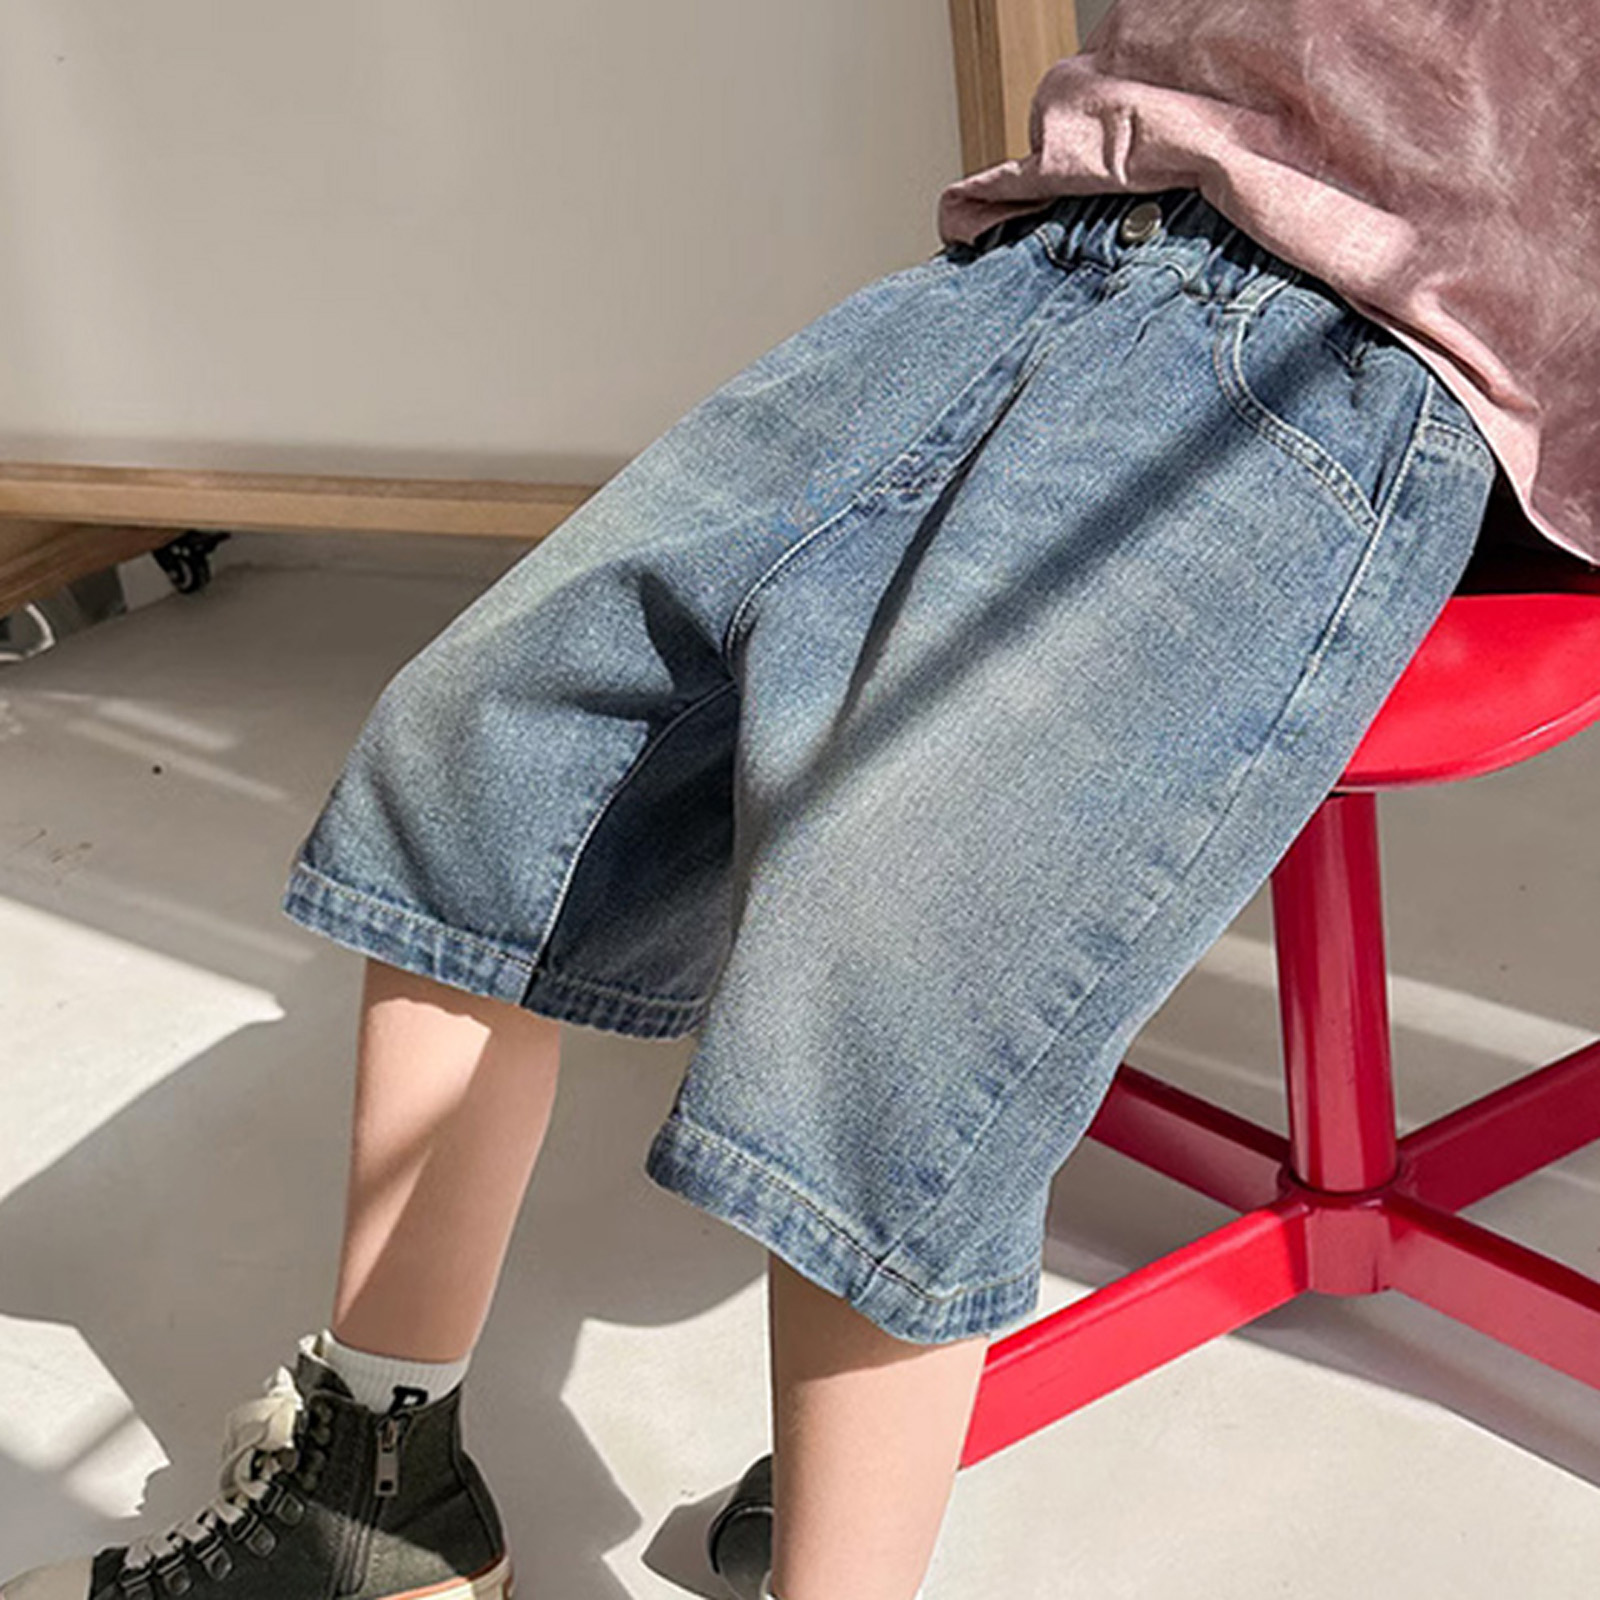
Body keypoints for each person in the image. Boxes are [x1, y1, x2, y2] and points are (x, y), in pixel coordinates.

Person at [6, 4, 1594, 1600]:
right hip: (1048, 252)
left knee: (893, 943)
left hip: (1359, 357)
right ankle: (375, 1505)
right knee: (474, 742)